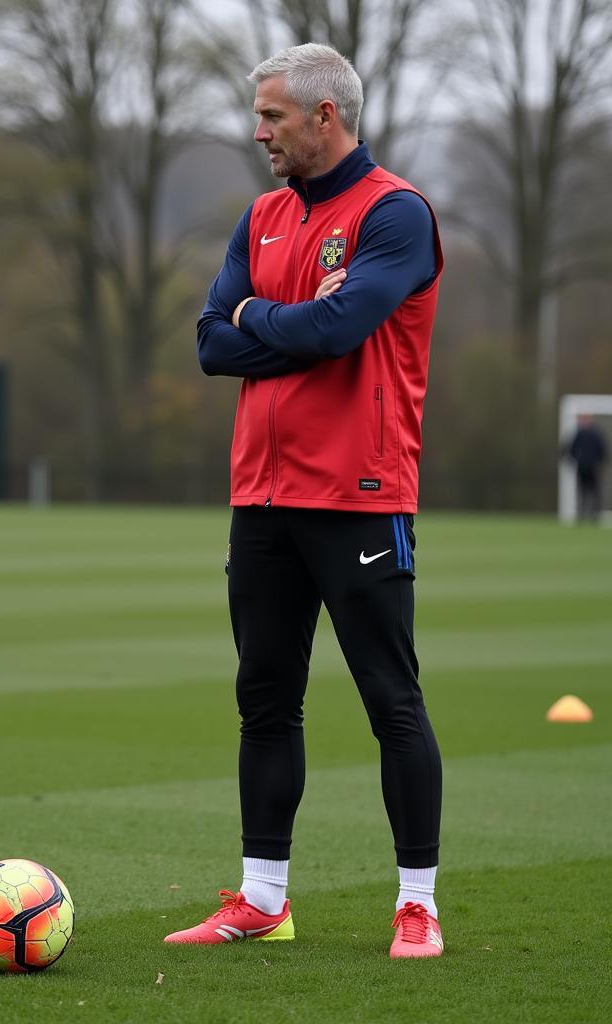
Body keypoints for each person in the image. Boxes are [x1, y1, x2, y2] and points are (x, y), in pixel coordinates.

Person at [163, 43, 445, 959]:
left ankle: (418, 906)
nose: (259, 132)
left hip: (362, 496)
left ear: (327, 116)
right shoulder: (262, 216)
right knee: (265, 700)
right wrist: (276, 323)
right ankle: (262, 900)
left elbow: (342, 327)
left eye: (273, 116)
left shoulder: (396, 215)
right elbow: (211, 343)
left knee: (390, 703)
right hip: (263, 498)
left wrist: (264, 319)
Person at [564, 414, 607, 522]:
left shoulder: (595, 434)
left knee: (594, 492)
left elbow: (602, 449)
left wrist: (599, 462)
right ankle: (582, 515)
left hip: (592, 467)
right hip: (582, 466)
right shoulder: (580, 434)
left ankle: (594, 515)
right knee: (583, 492)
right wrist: (576, 459)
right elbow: (571, 449)